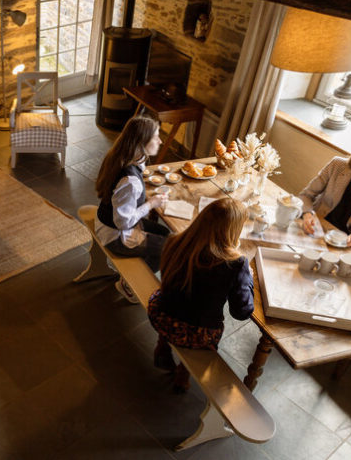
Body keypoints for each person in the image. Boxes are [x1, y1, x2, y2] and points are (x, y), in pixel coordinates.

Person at [147, 198, 254, 390]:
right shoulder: (236, 264)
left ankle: (162, 345)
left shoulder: (175, 240)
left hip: (160, 315)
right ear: (233, 230)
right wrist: (248, 280)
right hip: (197, 335)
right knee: (197, 320)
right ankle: (183, 374)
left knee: (176, 301)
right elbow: (241, 312)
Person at [94, 115, 170, 302]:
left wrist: (146, 201)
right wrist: (150, 204)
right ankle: (129, 285)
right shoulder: (130, 180)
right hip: (115, 235)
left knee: (164, 232)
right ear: (142, 143)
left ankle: (140, 262)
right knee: (168, 248)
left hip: (106, 220)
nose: (160, 141)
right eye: (156, 137)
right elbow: (123, 222)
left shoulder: (121, 157)